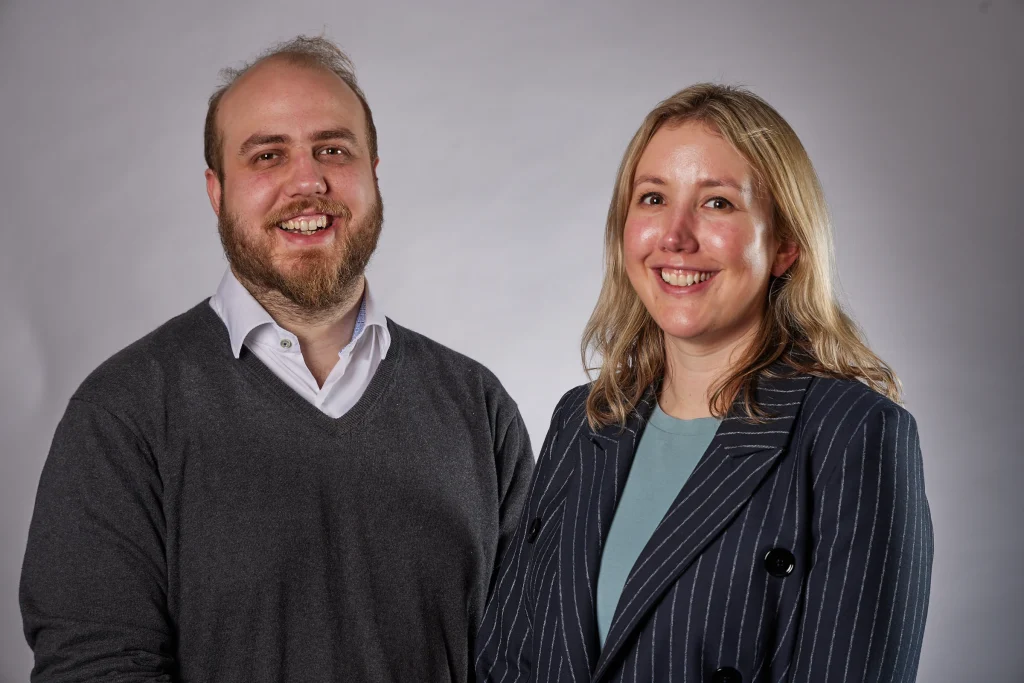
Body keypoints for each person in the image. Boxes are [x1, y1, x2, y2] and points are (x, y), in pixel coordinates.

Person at [20, 35, 534, 683]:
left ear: (374, 172)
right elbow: (93, 667)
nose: (307, 181)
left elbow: (532, 655)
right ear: (217, 191)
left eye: (333, 150)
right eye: (268, 155)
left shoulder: (477, 407)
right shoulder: (124, 414)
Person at [475, 83, 933, 682]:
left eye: (717, 203)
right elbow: (505, 664)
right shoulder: (585, 419)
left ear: (786, 244)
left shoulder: (855, 435)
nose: (675, 236)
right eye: (653, 198)